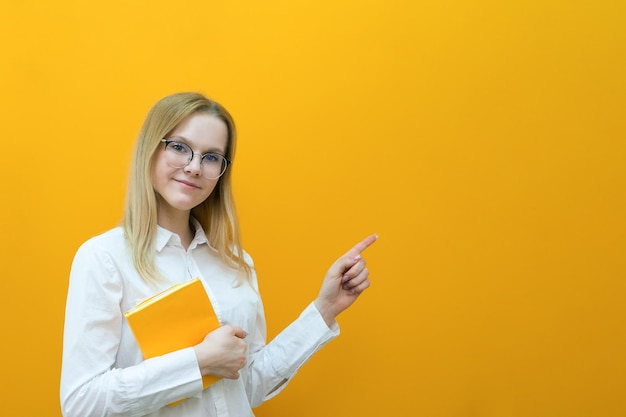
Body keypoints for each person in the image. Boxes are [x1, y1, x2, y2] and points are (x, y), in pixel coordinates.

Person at [60, 92, 377, 417]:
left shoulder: (235, 263)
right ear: (151, 149)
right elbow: (82, 403)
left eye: (211, 157)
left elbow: (248, 386)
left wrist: (324, 309)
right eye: (180, 147)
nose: (194, 167)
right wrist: (199, 362)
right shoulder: (104, 258)